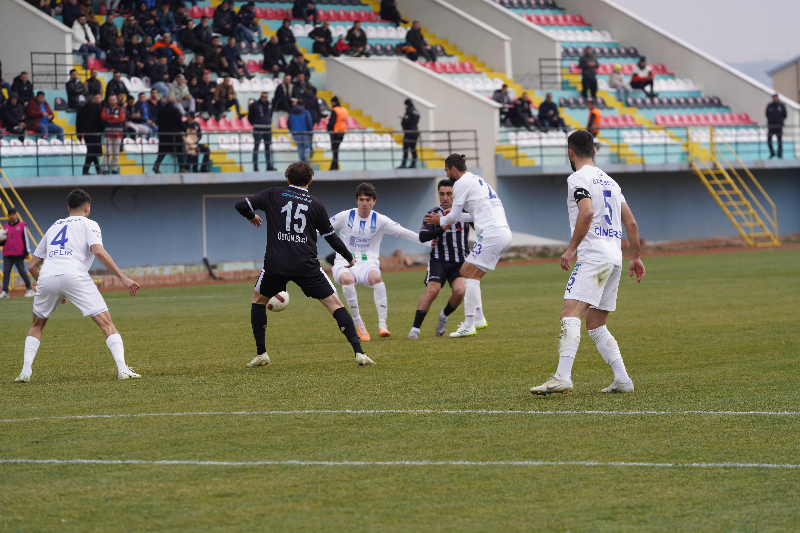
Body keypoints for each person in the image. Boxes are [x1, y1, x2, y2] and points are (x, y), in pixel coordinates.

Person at [530, 130, 645, 395]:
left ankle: (562, 377)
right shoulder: (611, 183)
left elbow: (587, 211)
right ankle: (623, 380)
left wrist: (571, 249)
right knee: (595, 322)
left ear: (570, 152)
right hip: (614, 258)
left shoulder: (577, 178)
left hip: (593, 256)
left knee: (569, 313)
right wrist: (635, 257)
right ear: (594, 151)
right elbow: (632, 223)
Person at [234, 162, 374, 368]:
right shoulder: (316, 204)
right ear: (310, 180)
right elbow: (331, 237)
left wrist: (252, 216)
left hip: (276, 264)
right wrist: (348, 257)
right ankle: (359, 353)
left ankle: (262, 353)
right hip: (306, 265)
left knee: (258, 301)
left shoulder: (273, 193)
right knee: (335, 305)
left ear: (287, 178)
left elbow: (241, 205)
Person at [13, 189, 142, 383]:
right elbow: (98, 252)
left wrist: (54, 288)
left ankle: (25, 371)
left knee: (37, 325)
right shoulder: (90, 223)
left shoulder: (55, 225)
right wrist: (123, 278)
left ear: (68, 208)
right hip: (74, 274)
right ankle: (123, 369)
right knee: (107, 323)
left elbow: (32, 266)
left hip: (47, 275)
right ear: (87, 207)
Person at [423, 154, 510, 338]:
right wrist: (451, 216)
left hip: (491, 233)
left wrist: (441, 219)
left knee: (469, 274)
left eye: (446, 170)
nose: (447, 174)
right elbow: (470, 216)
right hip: (501, 232)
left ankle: (469, 323)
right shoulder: (477, 180)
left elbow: (452, 217)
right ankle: (478, 318)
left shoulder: (461, 183)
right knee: (468, 272)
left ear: (453, 169)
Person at [329, 183, 428, 340]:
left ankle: (383, 325)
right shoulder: (345, 216)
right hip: (344, 261)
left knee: (377, 278)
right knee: (347, 280)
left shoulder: (380, 220)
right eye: (361, 200)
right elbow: (322, 228)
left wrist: (429, 243)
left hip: (368, 263)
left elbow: (403, 232)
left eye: (368, 200)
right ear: (357, 200)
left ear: (374, 201)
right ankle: (358, 323)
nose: (364, 203)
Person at [408, 180, 472, 339]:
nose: (445, 197)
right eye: (442, 194)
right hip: (439, 260)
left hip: (459, 262)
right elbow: (423, 236)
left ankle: (443, 315)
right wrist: (441, 228)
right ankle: (415, 329)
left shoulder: (465, 213)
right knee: (433, 291)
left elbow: (481, 225)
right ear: (438, 194)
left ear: (454, 195)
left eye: (449, 194)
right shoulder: (432, 213)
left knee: (460, 291)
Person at [1, 209, 35, 299]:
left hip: (18, 253)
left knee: (21, 271)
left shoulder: (22, 225)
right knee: (6, 272)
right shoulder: (5, 227)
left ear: (16, 215)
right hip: (7, 253)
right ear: (8, 216)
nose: (12, 216)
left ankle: (30, 289)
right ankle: (5, 292)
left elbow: (25, 239)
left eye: (13, 214)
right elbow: (3, 242)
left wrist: (26, 252)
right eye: (10, 214)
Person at [153, 95, 186, 173]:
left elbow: (159, 122)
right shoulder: (175, 110)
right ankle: (181, 168)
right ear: (173, 102)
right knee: (179, 151)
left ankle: (156, 165)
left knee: (163, 151)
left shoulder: (161, 110)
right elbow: (179, 123)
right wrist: (185, 130)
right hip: (174, 134)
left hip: (164, 134)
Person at [76, 93, 104, 175]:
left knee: (91, 151)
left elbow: (78, 123)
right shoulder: (98, 109)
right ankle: (87, 170)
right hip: (96, 134)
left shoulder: (80, 110)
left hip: (86, 134)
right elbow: (101, 123)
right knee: (92, 152)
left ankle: (95, 169)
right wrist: (101, 132)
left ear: (86, 100)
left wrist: (79, 135)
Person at [249, 92, 276, 172]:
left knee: (268, 148)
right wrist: (256, 123)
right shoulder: (254, 104)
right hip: (258, 128)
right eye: (263, 97)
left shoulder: (270, 105)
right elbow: (250, 117)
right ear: (260, 97)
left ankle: (269, 166)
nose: (264, 98)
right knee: (256, 147)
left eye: (266, 97)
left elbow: (270, 115)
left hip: (267, 128)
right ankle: (255, 166)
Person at [101, 94, 126, 174]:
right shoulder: (105, 109)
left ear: (116, 100)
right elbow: (103, 117)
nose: (112, 101)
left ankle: (114, 169)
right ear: (108, 101)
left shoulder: (121, 109)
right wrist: (113, 116)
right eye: (111, 100)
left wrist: (110, 120)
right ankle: (106, 169)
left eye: (114, 100)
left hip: (118, 134)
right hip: (108, 134)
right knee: (106, 153)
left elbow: (121, 119)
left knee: (116, 153)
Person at [327, 95, 348, 170]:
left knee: (334, 150)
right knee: (336, 150)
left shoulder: (335, 110)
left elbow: (332, 122)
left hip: (335, 132)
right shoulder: (344, 110)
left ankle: (334, 166)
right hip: (342, 132)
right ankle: (334, 166)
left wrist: (328, 128)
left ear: (333, 102)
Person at [399, 98, 419, 169]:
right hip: (415, 132)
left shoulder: (409, 111)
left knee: (406, 148)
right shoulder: (416, 111)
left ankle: (404, 164)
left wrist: (403, 120)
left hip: (409, 132)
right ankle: (413, 164)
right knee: (413, 148)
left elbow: (406, 122)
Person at [766, 93, 787, 159]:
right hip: (771, 127)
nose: (775, 99)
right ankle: (772, 153)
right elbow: (767, 114)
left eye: (776, 97)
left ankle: (779, 154)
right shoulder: (769, 106)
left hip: (779, 127)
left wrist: (780, 121)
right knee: (769, 140)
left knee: (779, 141)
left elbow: (785, 115)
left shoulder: (781, 106)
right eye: (774, 97)